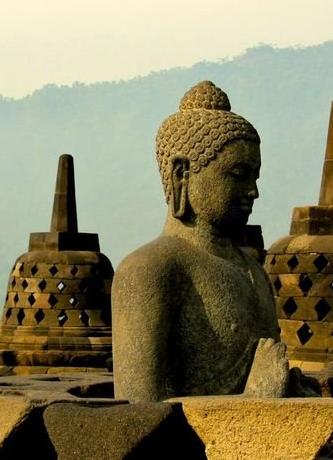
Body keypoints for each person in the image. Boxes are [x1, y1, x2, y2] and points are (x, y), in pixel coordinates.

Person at [113, 81, 302, 402]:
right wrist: (256, 396)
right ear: (181, 174)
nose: (252, 191)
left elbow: (271, 381)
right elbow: (136, 412)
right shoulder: (149, 270)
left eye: (255, 177)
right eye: (238, 174)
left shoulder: (253, 273)